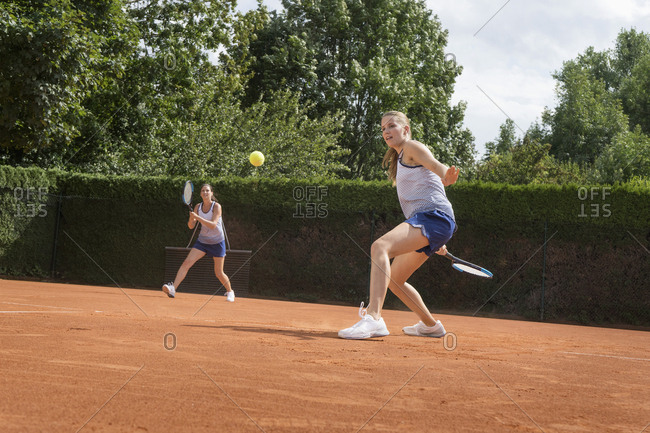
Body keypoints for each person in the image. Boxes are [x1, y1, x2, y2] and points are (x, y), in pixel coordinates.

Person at [338, 111, 459, 339]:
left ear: (405, 129)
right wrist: (436, 240)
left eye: (391, 126)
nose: (386, 131)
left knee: (379, 247)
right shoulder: (400, 159)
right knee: (395, 280)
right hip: (434, 225)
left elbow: (436, 165)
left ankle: (374, 317)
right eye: (383, 128)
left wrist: (447, 176)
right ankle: (431, 326)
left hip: (434, 218)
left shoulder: (411, 147)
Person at [163, 184, 235, 302]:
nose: (205, 192)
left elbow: (212, 225)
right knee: (187, 263)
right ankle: (173, 288)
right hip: (202, 242)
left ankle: (230, 291)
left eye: (207, 190)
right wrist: (192, 219)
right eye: (203, 191)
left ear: (212, 193)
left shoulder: (216, 206)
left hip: (217, 242)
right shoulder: (197, 207)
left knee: (218, 272)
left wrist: (197, 217)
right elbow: (191, 226)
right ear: (200, 194)